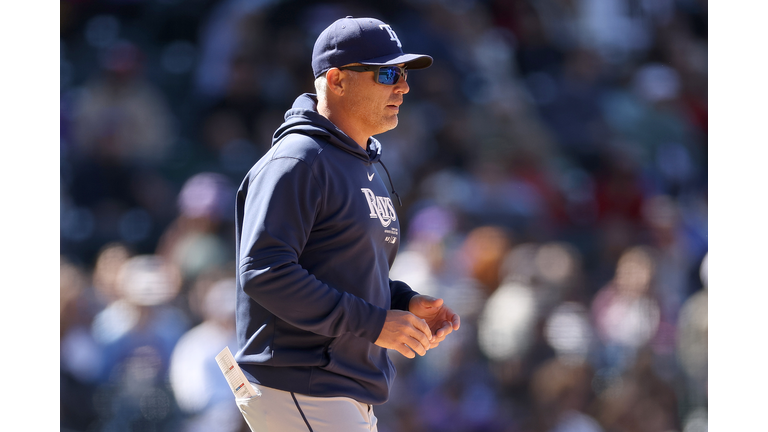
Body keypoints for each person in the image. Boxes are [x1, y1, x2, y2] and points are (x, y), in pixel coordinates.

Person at [233, 16, 461, 432]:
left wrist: (401, 302)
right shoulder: (299, 160)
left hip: (338, 389)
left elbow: (341, 269)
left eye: (405, 73)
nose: (403, 86)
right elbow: (264, 271)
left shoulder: (364, 164)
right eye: (387, 73)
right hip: (302, 383)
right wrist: (374, 323)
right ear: (336, 80)